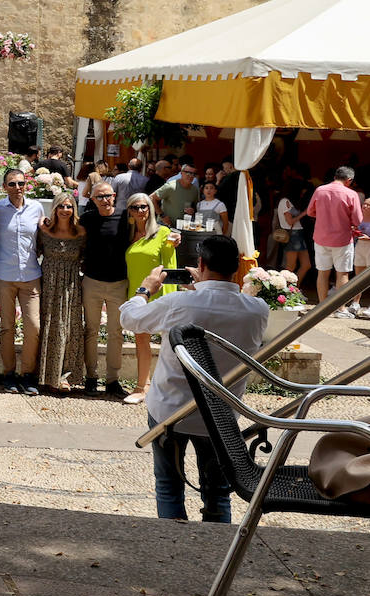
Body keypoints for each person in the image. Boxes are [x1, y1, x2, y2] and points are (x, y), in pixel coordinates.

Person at [120, 234, 268, 522]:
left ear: (201, 263)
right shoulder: (257, 310)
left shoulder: (179, 302)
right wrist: (202, 288)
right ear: (237, 268)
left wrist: (145, 289)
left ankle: (172, 548)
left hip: (170, 410)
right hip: (220, 414)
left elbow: (129, 319)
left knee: (168, 486)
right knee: (217, 492)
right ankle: (215, 552)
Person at [123, 192, 180, 406]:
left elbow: (170, 266)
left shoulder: (163, 233)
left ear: (151, 209)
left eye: (144, 207)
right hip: (137, 294)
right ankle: (142, 386)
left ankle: (167, 388)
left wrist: (170, 297)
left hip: (159, 294)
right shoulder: (128, 234)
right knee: (141, 341)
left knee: (168, 343)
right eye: (135, 207)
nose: (140, 211)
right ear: (129, 211)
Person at [0, 169, 44, 395]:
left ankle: (28, 373)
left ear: (27, 185)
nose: (17, 187)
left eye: (21, 183)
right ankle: (9, 373)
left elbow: (43, 236)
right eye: (12, 184)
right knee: (7, 327)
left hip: (31, 275)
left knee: (33, 327)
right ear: (4, 187)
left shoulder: (36, 208)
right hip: (4, 275)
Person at [79, 182, 132, 396]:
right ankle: (91, 377)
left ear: (114, 196)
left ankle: (112, 379)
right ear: (92, 199)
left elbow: (146, 232)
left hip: (118, 283)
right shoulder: (87, 219)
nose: (104, 200)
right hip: (92, 281)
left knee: (115, 333)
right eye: (99, 197)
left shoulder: (125, 217)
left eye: (107, 196)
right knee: (90, 331)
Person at [37, 191, 86, 392]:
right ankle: (46, 376)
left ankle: (66, 376)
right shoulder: (43, 230)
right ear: (55, 208)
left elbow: (86, 257)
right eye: (61, 206)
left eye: (69, 206)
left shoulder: (81, 232)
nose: (65, 210)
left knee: (71, 328)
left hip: (71, 286)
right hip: (49, 284)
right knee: (50, 326)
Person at [308, 166, 361, 313]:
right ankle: (340, 308)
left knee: (322, 272)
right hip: (342, 239)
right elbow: (357, 220)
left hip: (321, 237)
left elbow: (310, 212)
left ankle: (321, 307)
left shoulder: (320, 190)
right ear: (349, 180)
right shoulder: (351, 194)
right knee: (342, 273)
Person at [152, 162, 200, 226]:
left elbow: (195, 206)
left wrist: (192, 211)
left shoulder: (194, 190)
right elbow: (152, 198)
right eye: (188, 173)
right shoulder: (171, 186)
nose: (191, 176)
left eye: (193, 174)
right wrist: (162, 215)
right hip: (164, 225)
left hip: (182, 226)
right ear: (181, 173)